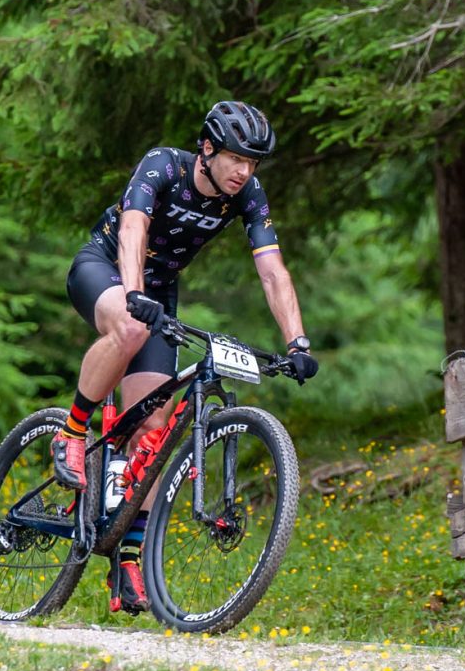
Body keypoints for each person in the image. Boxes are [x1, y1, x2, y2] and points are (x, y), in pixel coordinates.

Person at [56, 100, 319, 615]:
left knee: (152, 427)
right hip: (107, 268)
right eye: (235, 158)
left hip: (159, 292)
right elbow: (132, 230)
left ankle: (126, 555)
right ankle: (70, 431)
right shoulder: (163, 166)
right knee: (129, 328)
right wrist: (134, 293)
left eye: (253, 163)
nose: (244, 171)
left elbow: (272, 270)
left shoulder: (248, 195)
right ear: (207, 149)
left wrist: (298, 343)